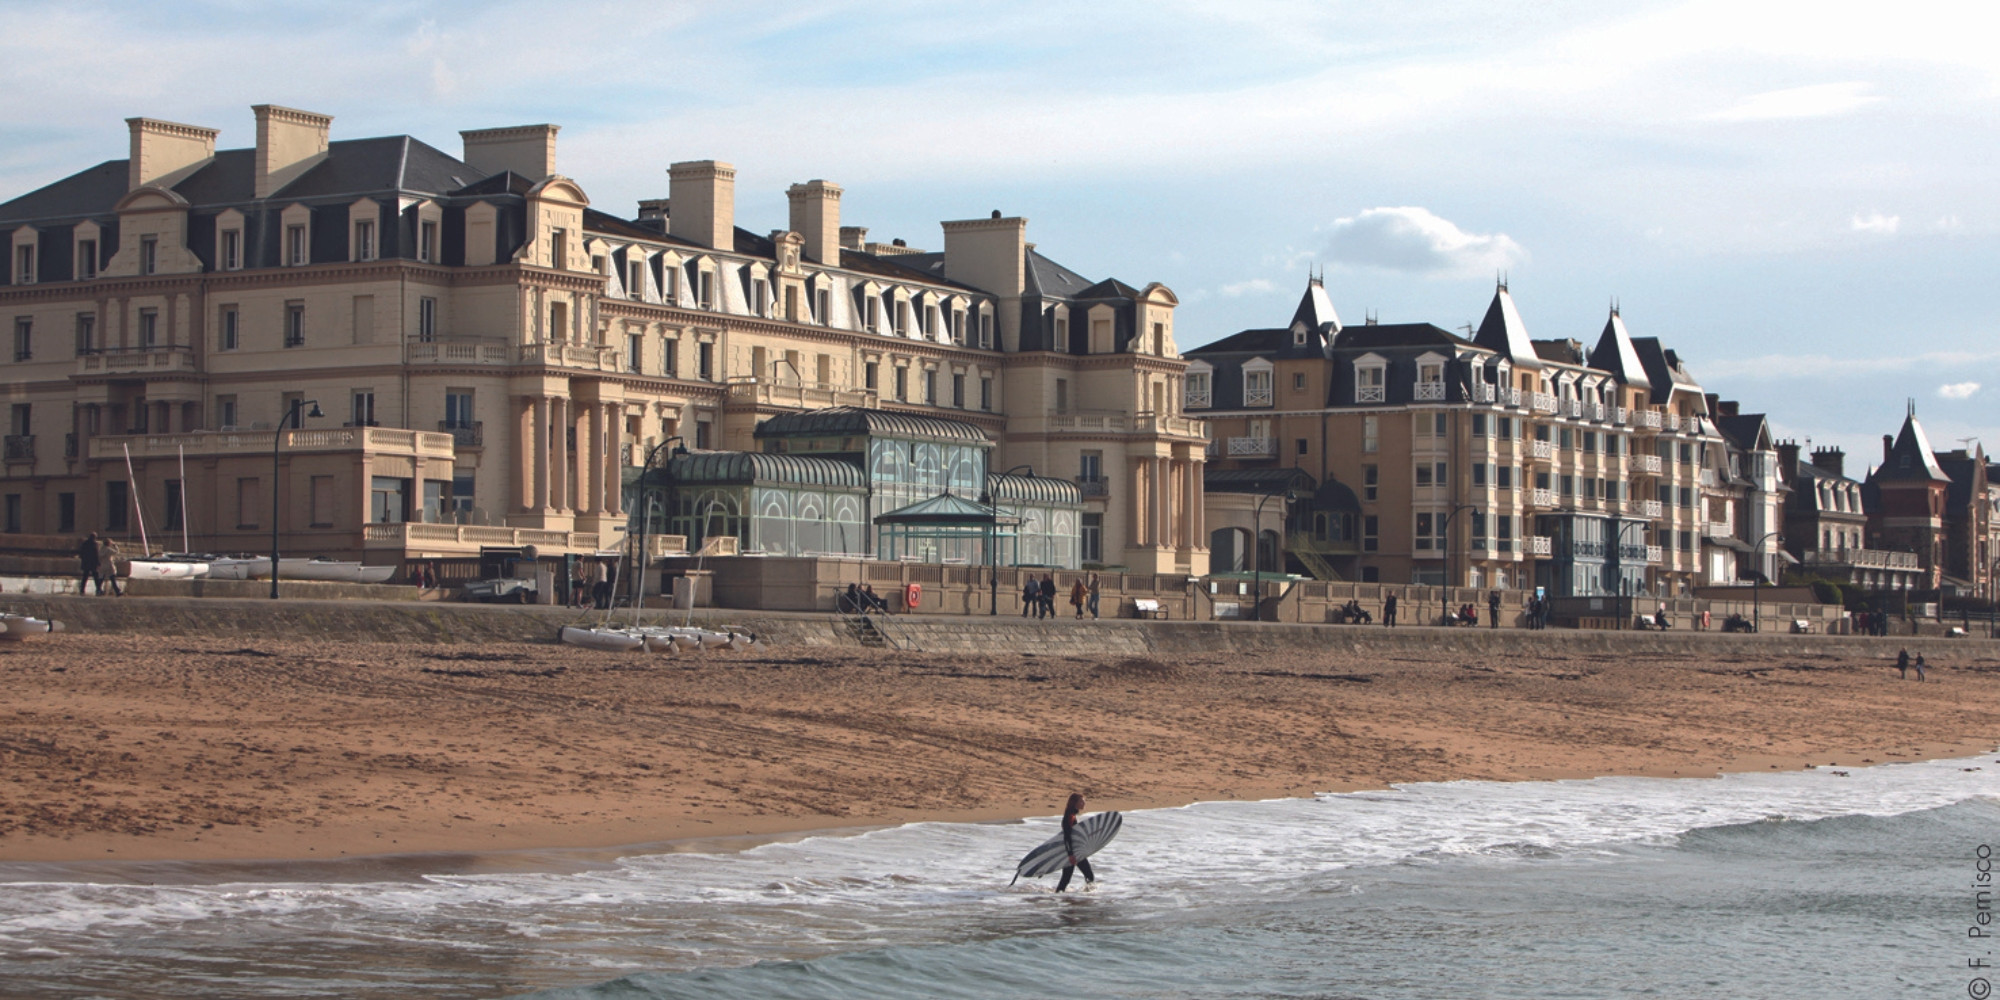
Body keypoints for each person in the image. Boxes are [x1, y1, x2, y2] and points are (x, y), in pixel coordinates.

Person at [1054, 792, 1096, 893]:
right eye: (1082, 801)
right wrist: (1071, 855)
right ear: (1075, 803)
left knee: (1066, 879)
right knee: (1089, 876)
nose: (1084, 803)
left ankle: (1058, 898)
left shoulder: (1071, 814)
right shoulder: (1069, 816)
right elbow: (1067, 837)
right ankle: (1088, 898)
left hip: (1074, 851)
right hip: (1074, 852)